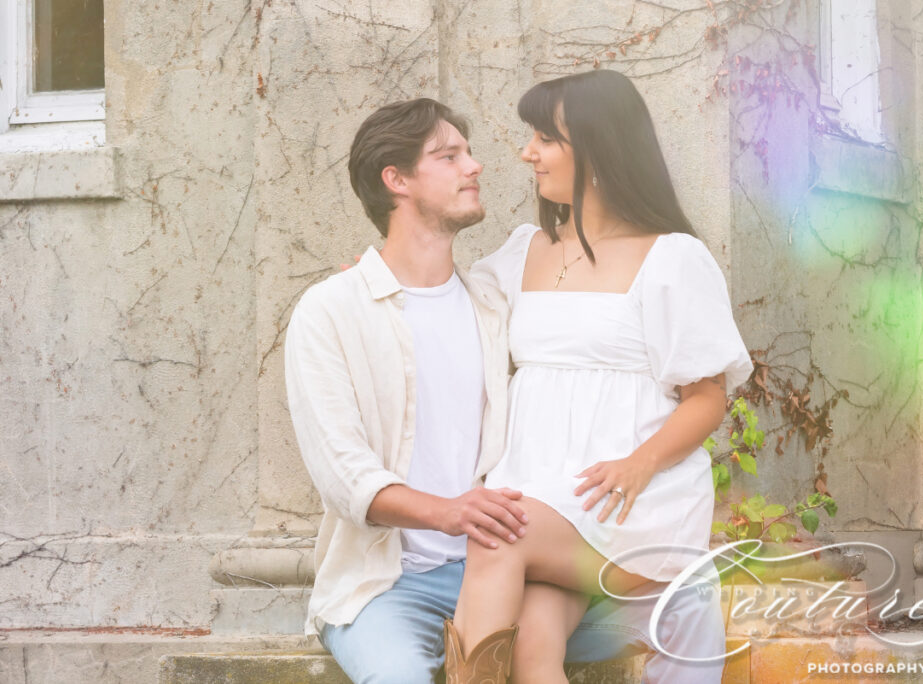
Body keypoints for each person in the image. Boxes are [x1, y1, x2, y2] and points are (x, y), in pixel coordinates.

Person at [285, 96, 723, 684]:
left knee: (673, 606)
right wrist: (449, 513)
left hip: (510, 551)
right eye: (450, 156)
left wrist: (639, 466)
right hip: (391, 579)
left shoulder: (489, 298)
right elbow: (344, 476)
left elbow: (697, 385)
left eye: (470, 152)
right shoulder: (336, 310)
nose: (482, 164)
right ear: (397, 180)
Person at [446, 70, 754, 683]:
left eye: (544, 138)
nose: (525, 152)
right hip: (539, 490)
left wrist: (637, 464)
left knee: (496, 536)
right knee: (534, 648)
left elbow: (707, 396)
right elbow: (447, 305)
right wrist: (382, 277)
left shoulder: (671, 258)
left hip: (622, 503)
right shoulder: (523, 251)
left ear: (597, 148)